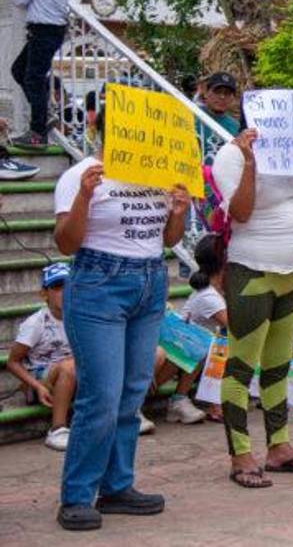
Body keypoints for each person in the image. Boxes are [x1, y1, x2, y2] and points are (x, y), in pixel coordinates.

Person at [52, 109, 189, 530]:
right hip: (99, 283)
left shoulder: (158, 175)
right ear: (105, 131)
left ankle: (117, 486)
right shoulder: (81, 174)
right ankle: (77, 495)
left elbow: (166, 239)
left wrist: (179, 211)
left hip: (150, 281)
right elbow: (65, 244)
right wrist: (83, 199)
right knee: (103, 396)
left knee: (132, 393)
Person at [212, 128, 293, 487]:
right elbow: (240, 210)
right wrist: (251, 162)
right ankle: (240, 454)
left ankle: (279, 447)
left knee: (278, 365)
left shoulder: (292, 153)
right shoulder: (231, 155)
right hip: (252, 270)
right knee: (240, 366)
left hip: (292, 274)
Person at [8, 0, 75, 149]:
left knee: (32, 78)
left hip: (42, 29)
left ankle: (37, 133)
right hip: (56, 30)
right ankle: (45, 114)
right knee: (20, 71)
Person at [6, 263, 75, 451]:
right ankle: (57, 429)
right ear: (44, 294)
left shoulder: (79, 318)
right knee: (69, 366)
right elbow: (13, 362)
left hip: (70, 376)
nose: (64, 292)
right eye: (57, 287)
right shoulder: (36, 323)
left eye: (69, 287)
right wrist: (36, 386)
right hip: (40, 383)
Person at [180, 234, 229, 423]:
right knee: (226, 344)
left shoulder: (217, 290)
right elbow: (237, 327)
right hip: (186, 353)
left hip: (197, 351)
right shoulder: (209, 296)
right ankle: (213, 402)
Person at [196, 72, 241, 139]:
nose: (222, 96)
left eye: (227, 93)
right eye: (217, 91)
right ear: (206, 93)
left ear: (233, 98)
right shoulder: (192, 115)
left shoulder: (235, 127)